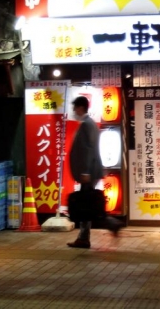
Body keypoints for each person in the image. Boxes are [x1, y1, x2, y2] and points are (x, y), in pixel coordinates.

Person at [67, 96, 122, 248]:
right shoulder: (88, 124)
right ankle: (84, 237)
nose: (73, 111)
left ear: (80, 108)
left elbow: (87, 150)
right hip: (91, 171)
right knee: (88, 205)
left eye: (74, 108)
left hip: (89, 172)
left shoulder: (86, 124)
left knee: (88, 205)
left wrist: (85, 171)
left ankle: (111, 224)